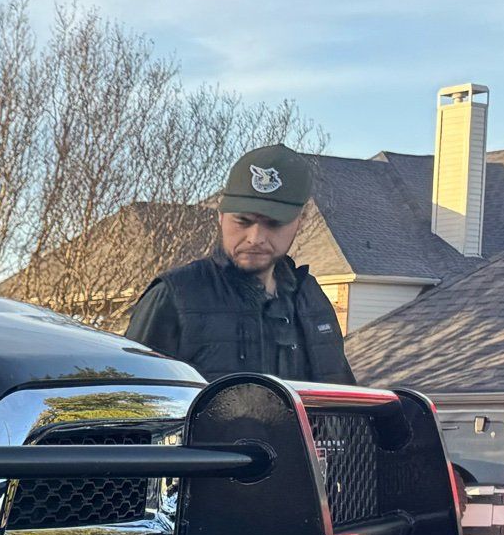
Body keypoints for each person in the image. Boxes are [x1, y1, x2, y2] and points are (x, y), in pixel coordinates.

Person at [125, 144, 354, 383]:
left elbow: (345, 406)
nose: (255, 238)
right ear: (221, 215)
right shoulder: (175, 296)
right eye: (242, 221)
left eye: (274, 223)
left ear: (302, 220)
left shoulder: (312, 299)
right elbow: (130, 404)